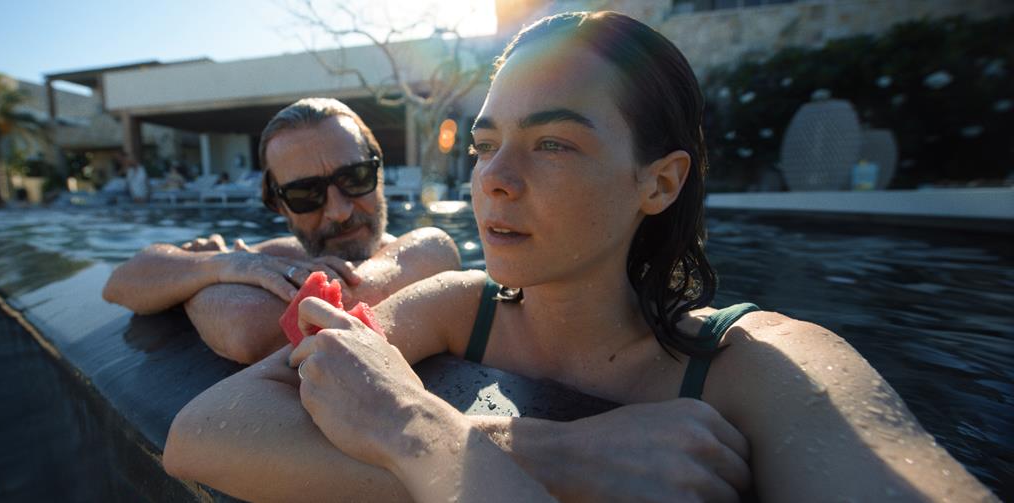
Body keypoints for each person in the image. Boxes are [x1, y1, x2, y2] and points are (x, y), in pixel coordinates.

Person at [161, 11, 996, 503]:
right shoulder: (460, 303)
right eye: (487, 145)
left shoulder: (767, 367)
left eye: (553, 143)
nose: (496, 182)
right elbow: (200, 434)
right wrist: (520, 448)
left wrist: (412, 432)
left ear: (659, 182)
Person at [102, 98, 462, 364]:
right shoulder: (273, 260)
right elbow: (121, 283)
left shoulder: (428, 251)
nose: (339, 211)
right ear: (278, 204)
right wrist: (221, 265)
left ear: (379, 174)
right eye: (306, 194)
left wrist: (194, 280)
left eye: (355, 178)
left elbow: (249, 331)